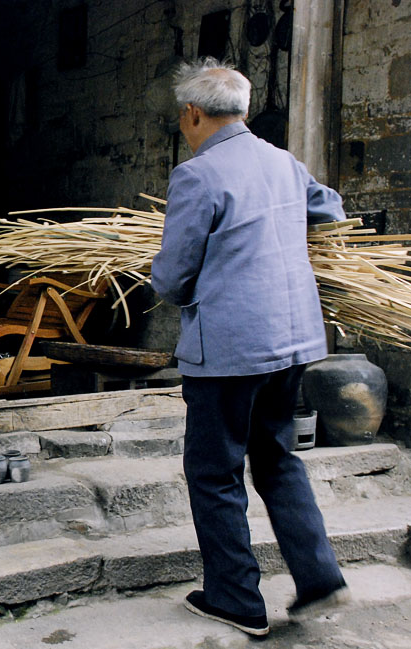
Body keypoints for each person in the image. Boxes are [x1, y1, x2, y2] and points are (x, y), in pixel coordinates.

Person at [150, 58, 350, 637]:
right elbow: (330, 207)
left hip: (230, 352)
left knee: (214, 472)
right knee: (278, 458)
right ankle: (320, 579)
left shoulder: (198, 174)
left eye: (182, 118)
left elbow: (173, 277)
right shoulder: (283, 162)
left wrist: (165, 275)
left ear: (192, 114)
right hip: (291, 342)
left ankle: (235, 599)